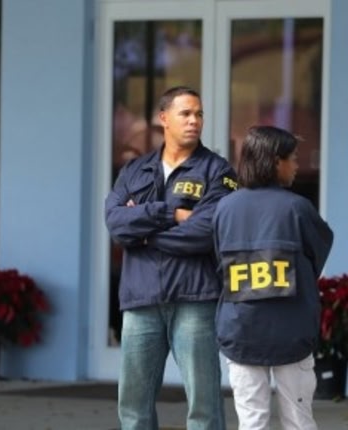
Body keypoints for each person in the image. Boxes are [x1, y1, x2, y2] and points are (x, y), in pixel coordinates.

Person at [105, 86, 237, 430]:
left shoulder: (218, 172)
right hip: (141, 299)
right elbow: (116, 224)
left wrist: (144, 234)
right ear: (164, 118)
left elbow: (206, 231)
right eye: (186, 113)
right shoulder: (135, 170)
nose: (195, 121)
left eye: (199, 114)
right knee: (133, 406)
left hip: (195, 299)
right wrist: (171, 214)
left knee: (204, 407)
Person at [213, 125, 334, 429]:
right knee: (298, 421)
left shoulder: (225, 208)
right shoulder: (297, 208)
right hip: (291, 332)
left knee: (251, 422)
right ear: (276, 161)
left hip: (241, 331)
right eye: (293, 158)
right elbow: (318, 252)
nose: (297, 165)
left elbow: (219, 262)